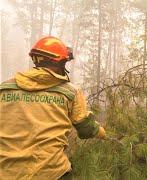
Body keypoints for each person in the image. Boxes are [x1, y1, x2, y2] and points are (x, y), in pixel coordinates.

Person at [0, 36, 106, 179]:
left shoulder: (4, 89)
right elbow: (86, 130)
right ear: (60, 62)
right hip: (52, 173)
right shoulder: (71, 92)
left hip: (7, 173)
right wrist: (103, 134)